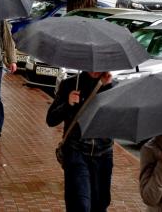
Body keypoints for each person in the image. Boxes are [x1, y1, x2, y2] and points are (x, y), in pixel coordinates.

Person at [46, 71, 115, 212]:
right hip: (76, 152)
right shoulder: (70, 84)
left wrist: (107, 88)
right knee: (80, 205)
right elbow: (51, 119)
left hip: (103, 154)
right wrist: (68, 103)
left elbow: (120, 120)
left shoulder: (112, 86)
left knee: (100, 205)